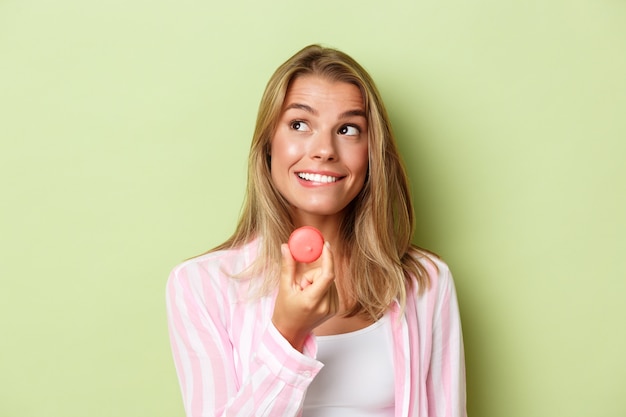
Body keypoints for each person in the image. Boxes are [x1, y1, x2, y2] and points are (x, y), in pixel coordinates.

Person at [166, 44, 467, 417]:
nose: (324, 149)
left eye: (347, 129)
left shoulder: (426, 283)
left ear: (371, 153)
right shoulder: (200, 285)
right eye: (299, 124)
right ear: (268, 146)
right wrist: (287, 334)